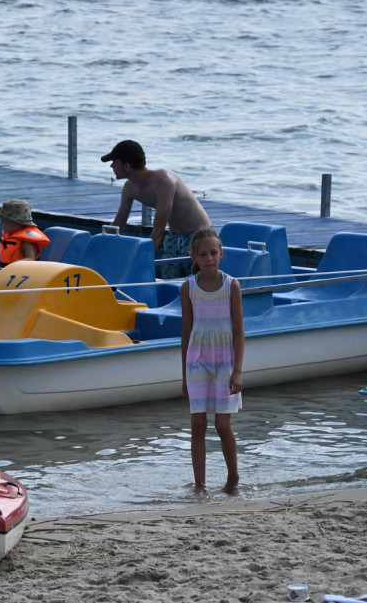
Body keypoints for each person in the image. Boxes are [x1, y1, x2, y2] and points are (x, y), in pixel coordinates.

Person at [180, 227, 244, 495]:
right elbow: (186, 332)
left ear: (222, 255)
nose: (209, 258)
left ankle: (232, 478)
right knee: (197, 424)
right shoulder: (188, 288)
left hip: (225, 361)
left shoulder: (232, 285)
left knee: (222, 425)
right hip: (197, 360)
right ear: (193, 256)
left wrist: (237, 372)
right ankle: (200, 485)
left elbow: (239, 331)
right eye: (203, 254)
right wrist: (184, 375)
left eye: (213, 253)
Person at [101, 139, 211, 278]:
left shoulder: (165, 182)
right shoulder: (129, 188)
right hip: (174, 237)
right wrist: (100, 247)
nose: (112, 166)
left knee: (199, 284)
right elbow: (118, 225)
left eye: (115, 162)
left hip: (200, 235)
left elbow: (158, 232)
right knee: (170, 282)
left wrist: (140, 263)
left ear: (127, 165)